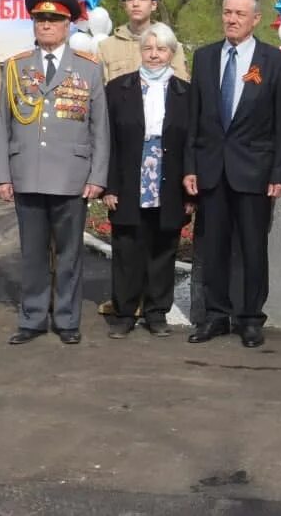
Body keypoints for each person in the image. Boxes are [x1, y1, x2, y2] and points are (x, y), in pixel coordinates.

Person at [0, 0, 108, 346]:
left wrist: (98, 176)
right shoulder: (15, 67)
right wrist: (2, 175)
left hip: (71, 177)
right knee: (31, 253)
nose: (46, 25)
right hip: (27, 172)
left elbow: (99, 128)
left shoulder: (88, 68)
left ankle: (66, 318)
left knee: (70, 254)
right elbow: (3, 126)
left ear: (68, 25)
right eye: (40, 19)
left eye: (54, 19)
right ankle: (31, 317)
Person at [183, 0, 281, 349]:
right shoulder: (204, 58)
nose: (231, 19)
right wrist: (190, 166)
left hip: (254, 172)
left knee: (251, 248)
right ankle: (215, 316)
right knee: (212, 247)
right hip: (212, 169)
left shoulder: (273, 61)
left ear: (256, 19)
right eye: (227, 12)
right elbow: (193, 120)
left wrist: (280, 174)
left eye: (239, 14)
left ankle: (250, 318)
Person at [103, 22, 191, 338]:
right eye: (148, 48)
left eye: (161, 49)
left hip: (168, 181)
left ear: (171, 52)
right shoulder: (117, 88)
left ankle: (156, 313)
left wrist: (190, 189)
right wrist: (109, 185)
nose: (154, 55)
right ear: (140, 51)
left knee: (163, 248)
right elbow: (107, 140)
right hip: (129, 179)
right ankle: (125, 313)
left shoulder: (186, 92)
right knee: (127, 248)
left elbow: (192, 142)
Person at [98, 0, 189, 82]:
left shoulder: (172, 45)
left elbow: (181, 87)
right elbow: (100, 90)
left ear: (153, 5)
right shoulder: (106, 47)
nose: (136, 4)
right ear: (124, 6)